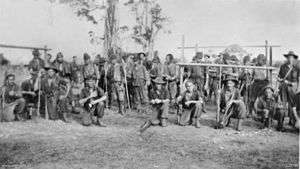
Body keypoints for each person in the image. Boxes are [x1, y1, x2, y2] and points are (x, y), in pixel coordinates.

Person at [278, 51, 300, 128]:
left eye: (292, 57)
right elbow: (279, 77)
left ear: (294, 58)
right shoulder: (283, 67)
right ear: (287, 58)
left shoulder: (297, 68)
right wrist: (280, 80)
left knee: (292, 105)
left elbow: (299, 79)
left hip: (293, 88)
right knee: (283, 104)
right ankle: (280, 124)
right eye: (289, 57)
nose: (290, 59)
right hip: (284, 87)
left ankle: (292, 122)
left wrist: (297, 88)